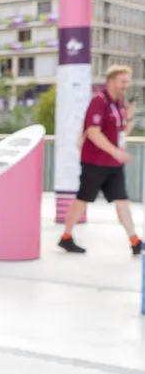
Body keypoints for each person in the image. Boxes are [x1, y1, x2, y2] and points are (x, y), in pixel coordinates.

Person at [59, 65, 139, 255]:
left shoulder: (119, 104)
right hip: (95, 162)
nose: (125, 86)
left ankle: (135, 241)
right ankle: (66, 237)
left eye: (127, 82)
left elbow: (121, 133)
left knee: (122, 200)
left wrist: (128, 118)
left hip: (113, 164)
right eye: (123, 81)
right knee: (82, 200)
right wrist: (116, 152)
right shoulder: (99, 101)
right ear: (111, 80)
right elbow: (93, 133)